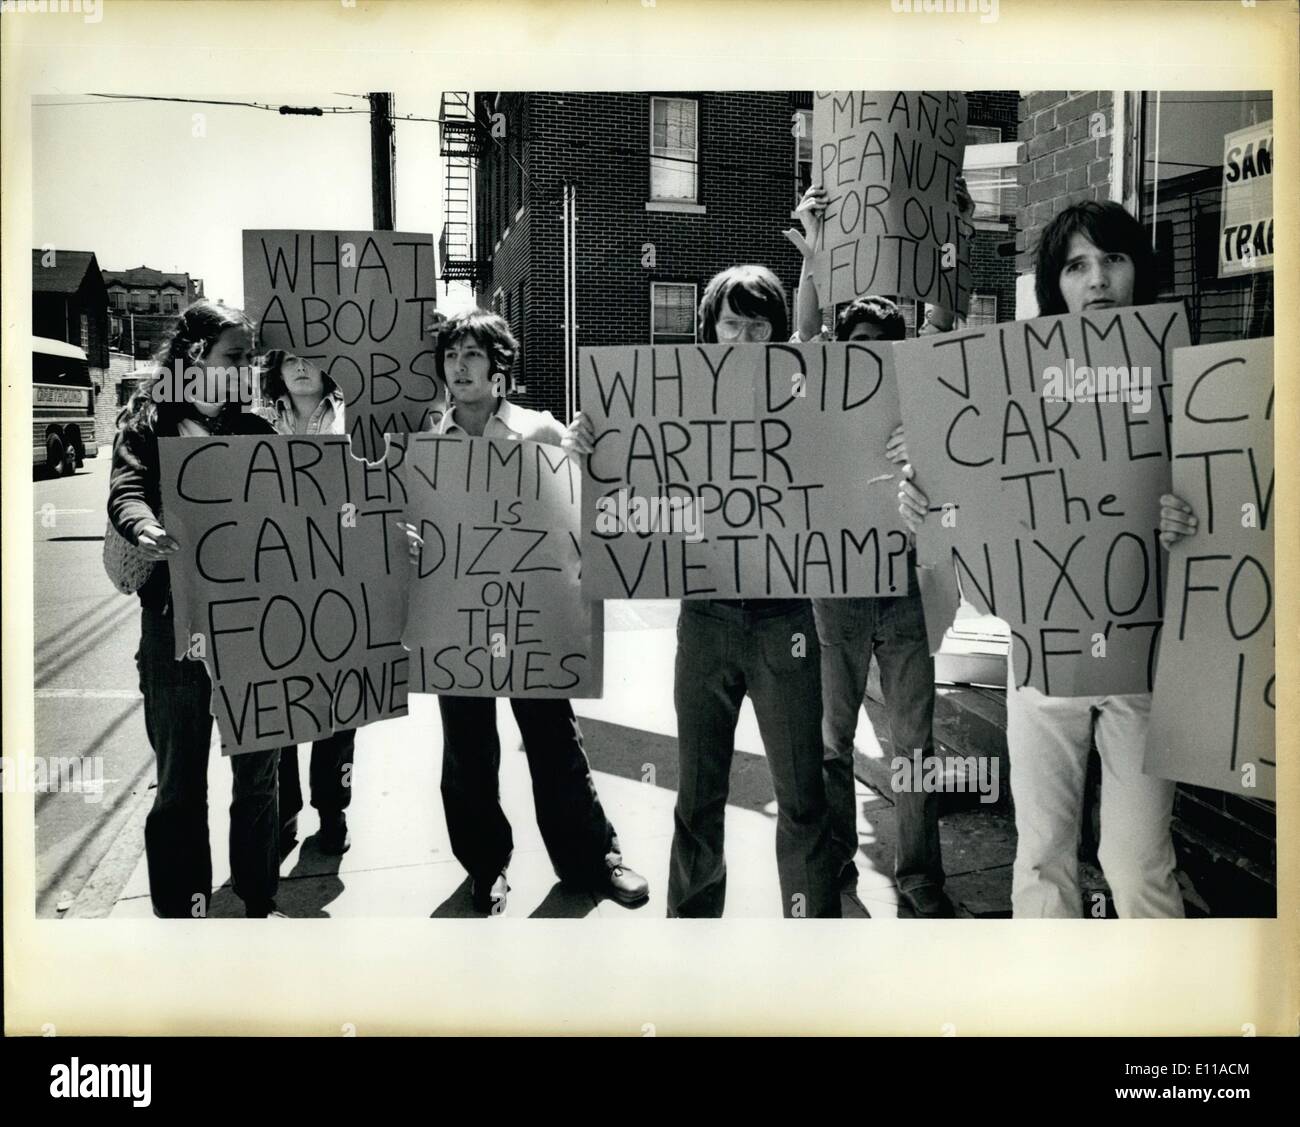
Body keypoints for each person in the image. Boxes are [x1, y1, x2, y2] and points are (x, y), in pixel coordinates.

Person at [898, 201, 1188, 918]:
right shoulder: (1013, 379)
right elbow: (964, 495)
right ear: (1055, 283)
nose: (1098, 280)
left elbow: (1233, 501)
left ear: (1137, 271)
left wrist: (1194, 517)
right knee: (1041, 853)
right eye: (1077, 265)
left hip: (1144, 656)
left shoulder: (1183, 374)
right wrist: (925, 507)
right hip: (1044, 651)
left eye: (1113, 260)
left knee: (1137, 861)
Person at [567, 266, 841, 919]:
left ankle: (820, 954)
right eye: (730, 324)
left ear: (775, 333)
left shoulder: (807, 402)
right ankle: (691, 947)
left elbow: (853, 455)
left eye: (757, 325)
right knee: (697, 795)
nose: (743, 337)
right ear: (710, 331)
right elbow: (628, 484)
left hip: (787, 620)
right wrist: (590, 447)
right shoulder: (672, 401)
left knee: (803, 795)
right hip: (707, 617)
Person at [412, 310, 650, 914]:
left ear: (499, 369)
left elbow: (580, 502)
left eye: (471, 355)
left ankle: (593, 861)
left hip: (530, 616)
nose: (459, 367)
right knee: (467, 749)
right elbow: (407, 516)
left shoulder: (539, 431)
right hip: (457, 615)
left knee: (553, 740)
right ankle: (485, 867)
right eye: (450, 356)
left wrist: (590, 452)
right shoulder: (427, 437)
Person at [107, 301, 286, 918]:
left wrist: (383, 535)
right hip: (172, 624)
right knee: (180, 778)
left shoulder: (259, 434)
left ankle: (258, 900)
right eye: (237, 356)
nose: (248, 368)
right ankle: (184, 913)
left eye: (252, 358)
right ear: (195, 358)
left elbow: (306, 515)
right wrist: (144, 527)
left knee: (259, 772)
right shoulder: (146, 427)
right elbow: (126, 490)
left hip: (252, 627)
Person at [260, 349, 355, 855]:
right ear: (276, 367)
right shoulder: (252, 420)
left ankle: (333, 810)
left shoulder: (354, 413)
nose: (300, 367)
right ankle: (284, 811)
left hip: (341, 577)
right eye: (290, 358)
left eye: (311, 356)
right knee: (280, 700)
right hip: (272, 578)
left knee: (339, 702)